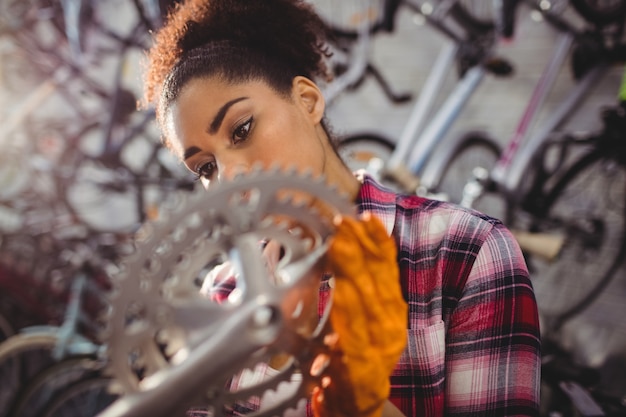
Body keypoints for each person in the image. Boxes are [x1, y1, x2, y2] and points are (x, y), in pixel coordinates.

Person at [141, 0, 541, 416]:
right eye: (206, 167)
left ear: (307, 100)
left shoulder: (466, 254)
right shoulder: (224, 294)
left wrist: (357, 398)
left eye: (242, 129)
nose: (231, 177)